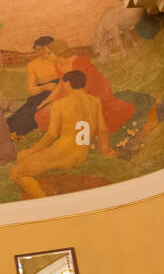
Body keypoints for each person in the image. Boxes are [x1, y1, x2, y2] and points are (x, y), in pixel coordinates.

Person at [11, 70, 114, 198]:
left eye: (64, 84)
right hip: (82, 153)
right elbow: (103, 129)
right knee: (22, 155)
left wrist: (31, 151)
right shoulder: (95, 101)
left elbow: (52, 135)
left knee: (16, 172)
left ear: (68, 84)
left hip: (63, 153)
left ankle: (45, 202)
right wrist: (106, 150)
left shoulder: (60, 104)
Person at [6, 36, 59, 137]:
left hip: (58, 92)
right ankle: (7, 130)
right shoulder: (33, 65)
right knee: (26, 110)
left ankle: (17, 132)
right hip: (41, 93)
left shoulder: (57, 60)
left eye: (44, 49)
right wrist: (44, 87)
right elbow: (31, 89)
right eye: (38, 49)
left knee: (36, 112)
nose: (41, 52)